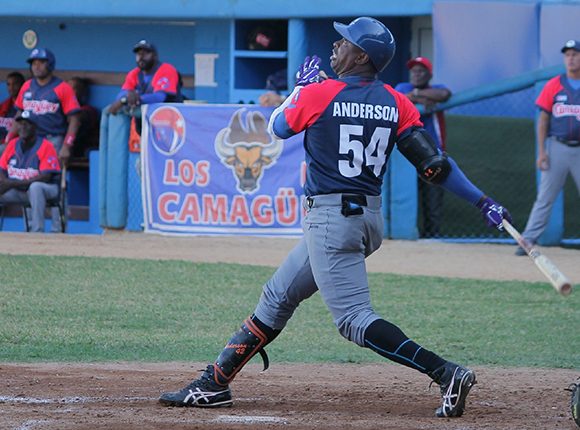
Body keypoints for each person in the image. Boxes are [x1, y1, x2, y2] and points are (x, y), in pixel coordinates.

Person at [159, 17, 511, 418]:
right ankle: (215, 383)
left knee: (353, 321)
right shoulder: (397, 101)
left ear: (362, 56)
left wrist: (302, 88)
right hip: (365, 219)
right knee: (277, 297)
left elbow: (277, 127)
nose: (335, 45)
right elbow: (434, 166)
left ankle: (445, 372)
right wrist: (482, 201)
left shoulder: (321, 92)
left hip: (331, 220)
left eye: (345, 42)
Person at [515, 39, 580, 255]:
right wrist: (542, 151)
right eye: (567, 54)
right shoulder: (554, 84)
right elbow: (543, 119)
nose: (571, 58)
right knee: (545, 197)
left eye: (575, 54)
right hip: (557, 147)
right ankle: (527, 240)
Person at [395, 57, 452, 238]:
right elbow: (398, 98)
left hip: (433, 152)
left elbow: (444, 95)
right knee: (406, 197)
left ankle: (432, 235)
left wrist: (418, 94)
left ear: (429, 75)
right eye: (414, 71)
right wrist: (418, 96)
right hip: (407, 152)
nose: (416, 74)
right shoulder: (404, 87)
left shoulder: (436, 88)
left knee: (432, 197)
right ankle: (406, 235)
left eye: (421, 71)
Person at [6, 48, 81, 167]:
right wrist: (9, 138)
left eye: (41, 63)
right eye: (34, 63)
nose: (37, 66)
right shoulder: (26, 86)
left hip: (52, 139)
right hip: (29, 139)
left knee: (46, 178)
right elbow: (19, 114)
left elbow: (75, 120)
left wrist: (67, 145)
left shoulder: (63, 88)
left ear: (50, 64)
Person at [0, 110, 61, 233]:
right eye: (20, 124)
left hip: (47, 189)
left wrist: (11, 183)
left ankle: (37, 231)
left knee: (35, 187)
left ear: (35, 127)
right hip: (18, 191)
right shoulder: (12, 144)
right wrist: (4, 182)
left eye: (26, 124)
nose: (22, 127)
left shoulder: (46, 146)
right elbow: (1, 168)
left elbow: (45, 177)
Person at [107, 39, 183, 127]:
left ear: (154, 56)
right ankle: (109, 141)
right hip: (146, 114)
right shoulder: (134, 73)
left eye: (145, 53)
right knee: (109, 110)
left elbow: (159, 97)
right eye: (138, 54)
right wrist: (125, 98)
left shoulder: (166, 69)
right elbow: (121, 94)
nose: (141, 57)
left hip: (169, 117)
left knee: (122, 110)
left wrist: (132, 99)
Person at [67, 77, 100, 160]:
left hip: (82, 150)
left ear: (82, 93)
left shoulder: (89, 111)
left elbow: (75, 119)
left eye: (73, 89)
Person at [0, 71, 25, 145]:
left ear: (23, 85)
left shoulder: (26, 106)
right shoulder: (3, 106)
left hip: (14, 145)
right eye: (8, 84)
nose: (11, 87)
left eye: (15, 84)